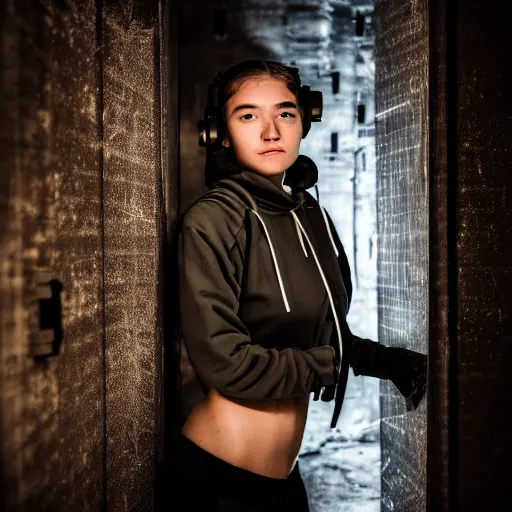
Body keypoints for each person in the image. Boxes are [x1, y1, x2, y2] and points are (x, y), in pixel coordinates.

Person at [168, 60, 427, 511]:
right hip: (218, 480)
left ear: (305, 121)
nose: (271, 131)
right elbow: (224, 362)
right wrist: (328, 366)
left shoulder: (312, 217)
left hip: (286, 477)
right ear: (221, 133)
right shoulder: (212, 220)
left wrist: (387, 361)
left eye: (285, 113)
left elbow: (323, 332)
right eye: (248, 115)